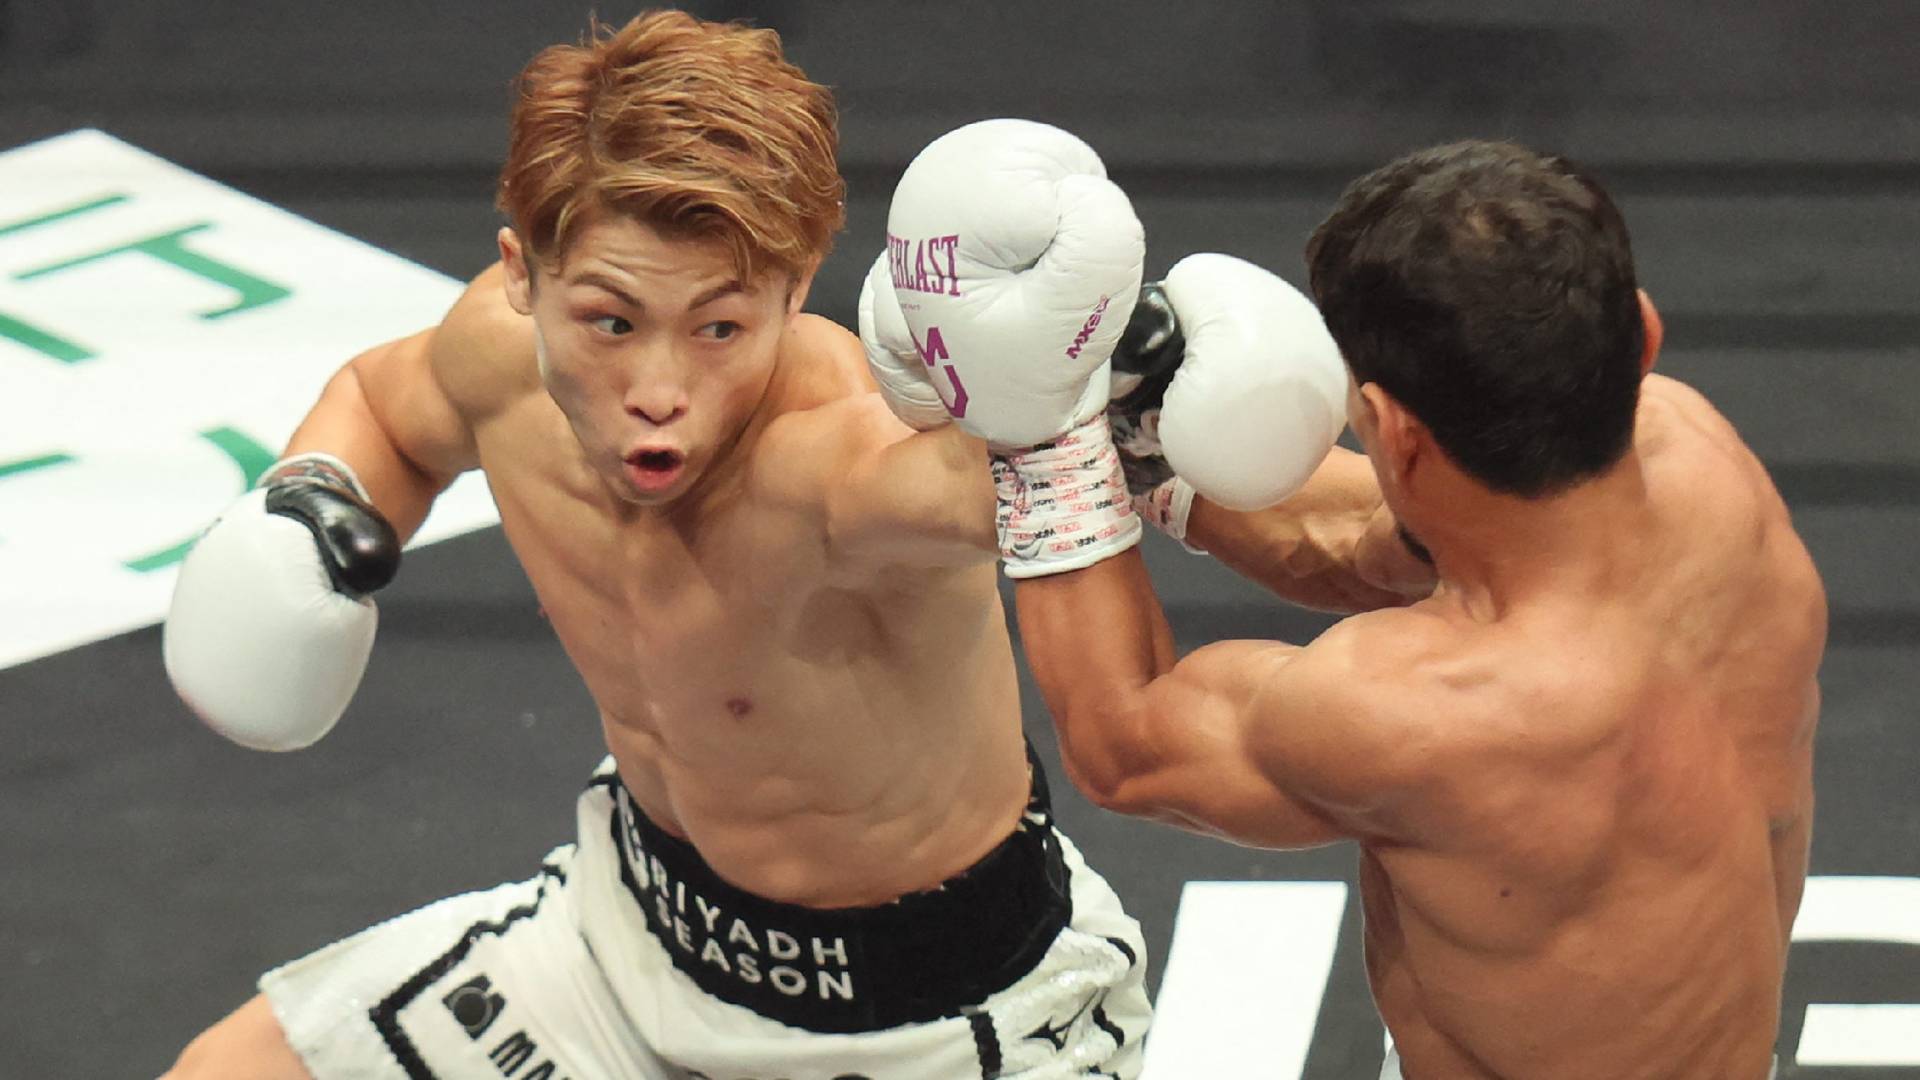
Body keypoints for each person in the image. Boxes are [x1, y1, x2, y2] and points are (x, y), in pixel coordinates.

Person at [158, 14, 1169, 1078]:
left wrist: (1109, 403)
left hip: (937, 1027)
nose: (658, 393)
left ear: (794, 285)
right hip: (632, 945)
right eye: (609, 322)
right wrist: (315, 493)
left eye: (719, 328)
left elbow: (971, 484)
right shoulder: (496, 361)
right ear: (523, 273)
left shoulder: (832, 451)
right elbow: (384, 404)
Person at [887, 138, 1826, 1079]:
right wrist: (1141, 435)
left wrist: (1044, 439)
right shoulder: (1700, 458)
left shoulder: (1415, 712)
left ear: (1395, 430)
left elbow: (1126, 744)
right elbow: (1382, 545)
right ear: (1644, 337)